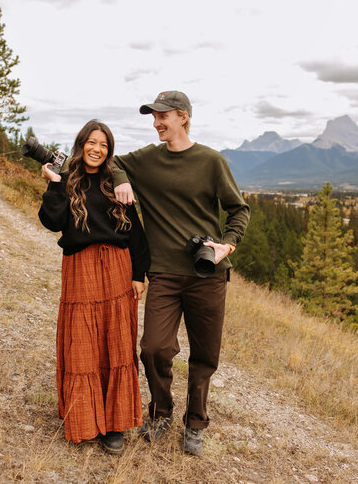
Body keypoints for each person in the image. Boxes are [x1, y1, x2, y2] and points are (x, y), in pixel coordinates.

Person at [112, 90, 249, 456]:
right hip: (165, 274)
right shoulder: (146, 161)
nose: (156, 123)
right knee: (154, 348)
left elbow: (239, 210)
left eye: (163, 116)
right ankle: (161, 413)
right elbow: (107, 160)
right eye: (153, 117)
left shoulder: (211, 161)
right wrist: (121, 179)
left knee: (205, 356)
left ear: (183, 117)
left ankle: (196, 423)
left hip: (208, 274)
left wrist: (226, 244)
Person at [38, 120, 149, 455]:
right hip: (80, 267)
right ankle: (85, 418)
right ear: (81, 144)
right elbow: (51, 222)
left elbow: (137, 233)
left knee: (117, 342)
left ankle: (114, 424)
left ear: (109, 150)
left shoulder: (116, 182)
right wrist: (55, 185)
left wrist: (139, 274)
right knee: (83, 343)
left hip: (118, 266)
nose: (97, 149)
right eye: (91, 142)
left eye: (103, 144)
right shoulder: (67, 179)